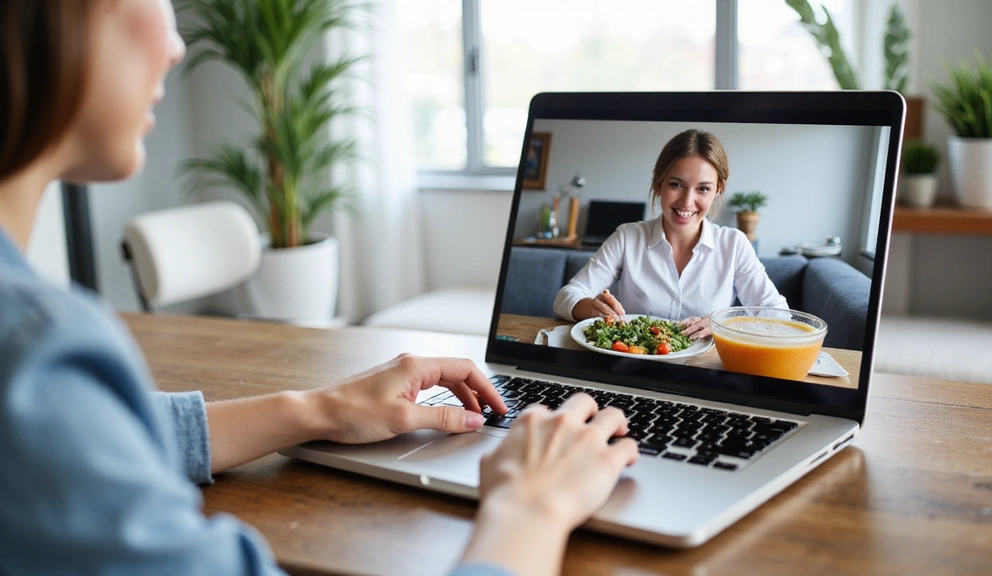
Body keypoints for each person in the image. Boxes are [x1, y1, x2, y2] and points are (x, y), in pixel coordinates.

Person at [0, 2, 638, 575]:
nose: (178, 43)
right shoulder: (34, 351)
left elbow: (94, 438)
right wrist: (530, 508)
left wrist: (319, 411)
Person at [553, 129, 786, 340]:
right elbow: (567, 296)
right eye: (676, 185)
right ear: (658, 183)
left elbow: (779, 315)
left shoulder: (733, 244)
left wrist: (724, 324)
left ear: (718, 190)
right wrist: (593, 309)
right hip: (632, 367)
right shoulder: (627, 237)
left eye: (703, 188)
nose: (687, 201)